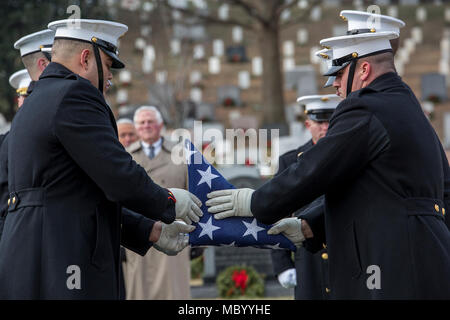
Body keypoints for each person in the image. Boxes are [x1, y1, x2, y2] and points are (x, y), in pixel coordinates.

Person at [206, 30, 450, 299]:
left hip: (391, 262)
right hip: (422, 255)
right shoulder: (409, 107)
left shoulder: (366, 108)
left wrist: (255, 202)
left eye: (340, 73)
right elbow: (376, 188)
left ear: (364, 69)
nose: (334, 84)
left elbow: (315, 169)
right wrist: (310, 226)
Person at [0, 19, 203, 299]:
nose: (110, 78)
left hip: (33, 257)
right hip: (64, 258)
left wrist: (150, 230)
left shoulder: (36, 100)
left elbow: (80, 191)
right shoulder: (75, 94)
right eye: (107, 66)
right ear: (86, 58)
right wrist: (167, 201)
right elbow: (117, 175)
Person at [271, 94, 340, 300]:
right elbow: (276, 213)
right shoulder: (290, 162)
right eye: (320, 122)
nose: (325, 127)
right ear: (308, 124)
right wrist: (282, 264)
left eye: (331, 121)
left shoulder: (353, 158)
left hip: (345, 257)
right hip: (308, 261)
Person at [122, 106, 192, 300]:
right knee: (139, 291)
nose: (147, 126)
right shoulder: (124, 156)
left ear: (160, 125)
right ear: (136, 128)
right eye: (142, 123)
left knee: (173, 292)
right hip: (139, 237)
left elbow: (193, 194)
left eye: (151, 121)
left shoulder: (181, 154)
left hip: (173, 233)